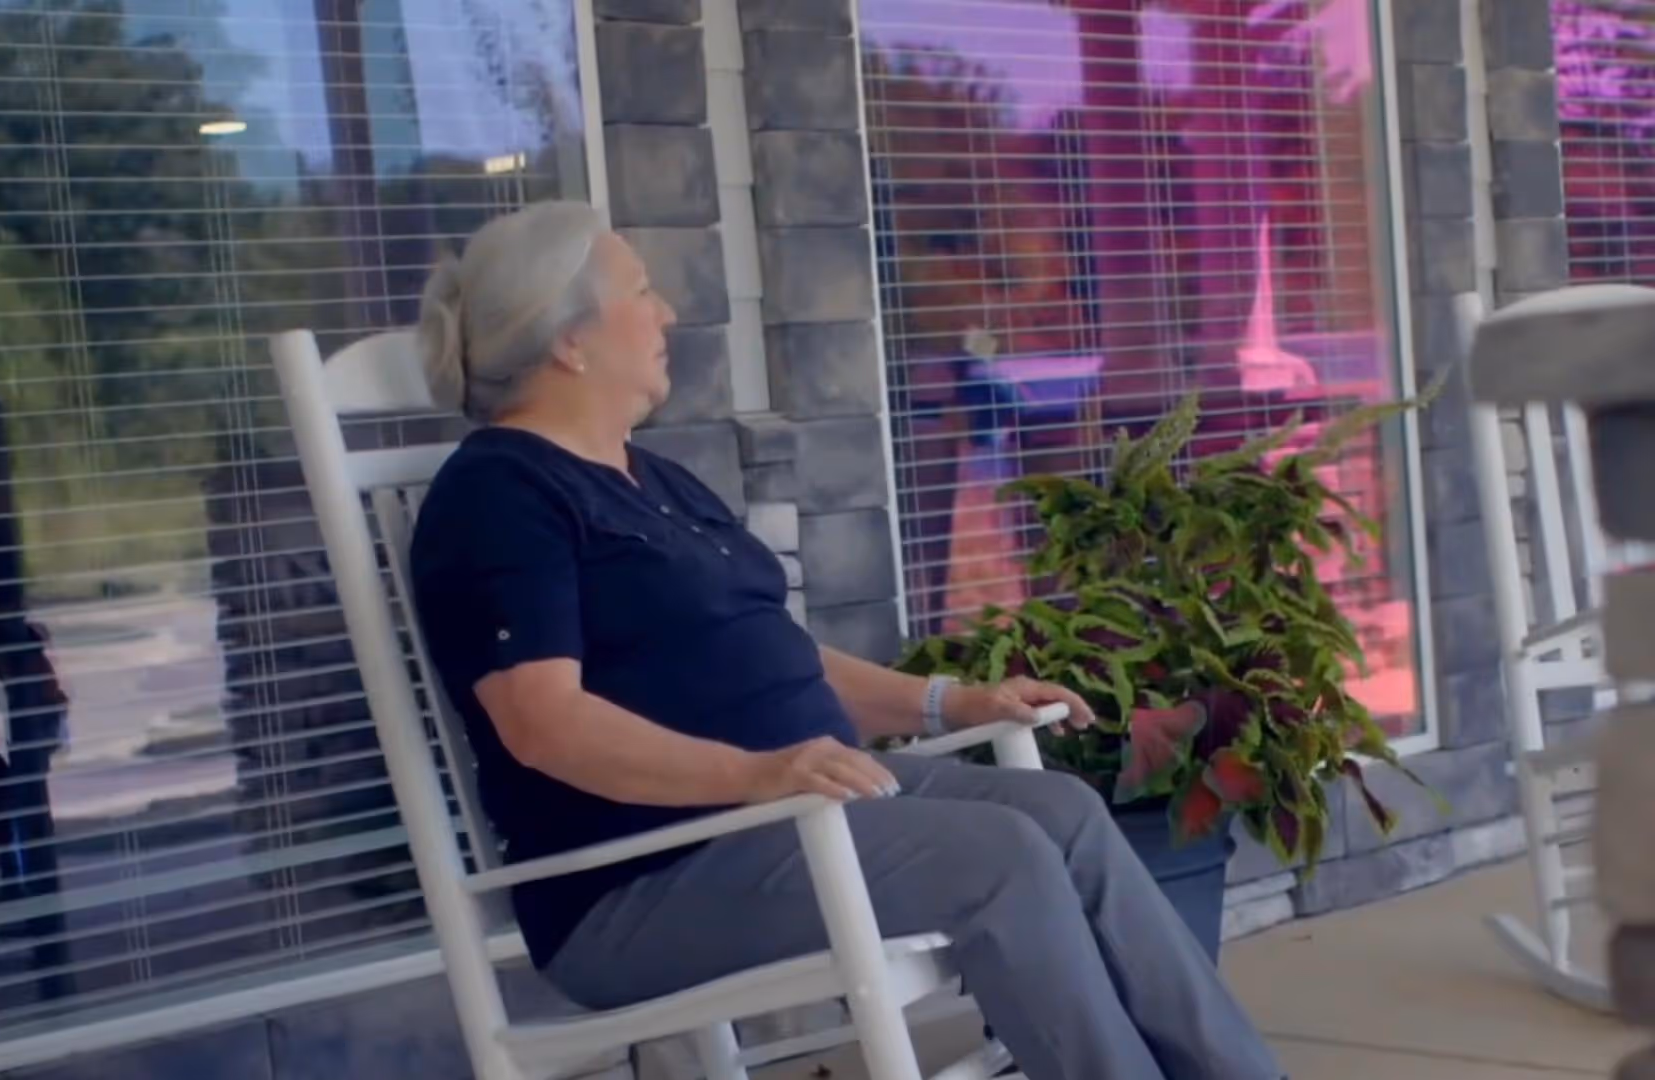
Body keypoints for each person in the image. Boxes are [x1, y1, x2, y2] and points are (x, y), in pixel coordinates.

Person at [407, 201, 1284, 1080]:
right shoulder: (500, 497)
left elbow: (773, 654)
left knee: (1065, 814)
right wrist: (757, 775)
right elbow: (542, 722)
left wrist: (946, 702)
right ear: (571, 340)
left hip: (783, 817)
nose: (667, 313)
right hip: (643, 880)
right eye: (642, 291)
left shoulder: (651, 479)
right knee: (1002, 857)